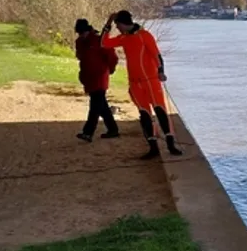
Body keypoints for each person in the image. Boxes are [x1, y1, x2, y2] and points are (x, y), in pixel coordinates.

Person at [100, 10, 183, 159]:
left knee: (160, 111)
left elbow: (156, 54)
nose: (116, 28)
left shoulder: (144, 35)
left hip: (150, 80)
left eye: (117, 25)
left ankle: (171, 144)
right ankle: (153, 147)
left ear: (122, 24)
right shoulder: (123, 38)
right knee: (144, 114)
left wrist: (161, 71)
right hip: (135, 83)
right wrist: (108, 23)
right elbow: (104, 43)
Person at [74, 18, 119, 142]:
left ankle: (88, 132)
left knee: (95, 105)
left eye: (83, 33)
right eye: (80, 33)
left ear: (88, 30)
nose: (82, 35)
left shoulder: (99, 40)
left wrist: (111, 69)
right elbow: (80, 56)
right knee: (101, 105)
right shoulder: (79, 42)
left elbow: (112, 56)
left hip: (100, 76)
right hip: (88, 77)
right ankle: (113, 129)